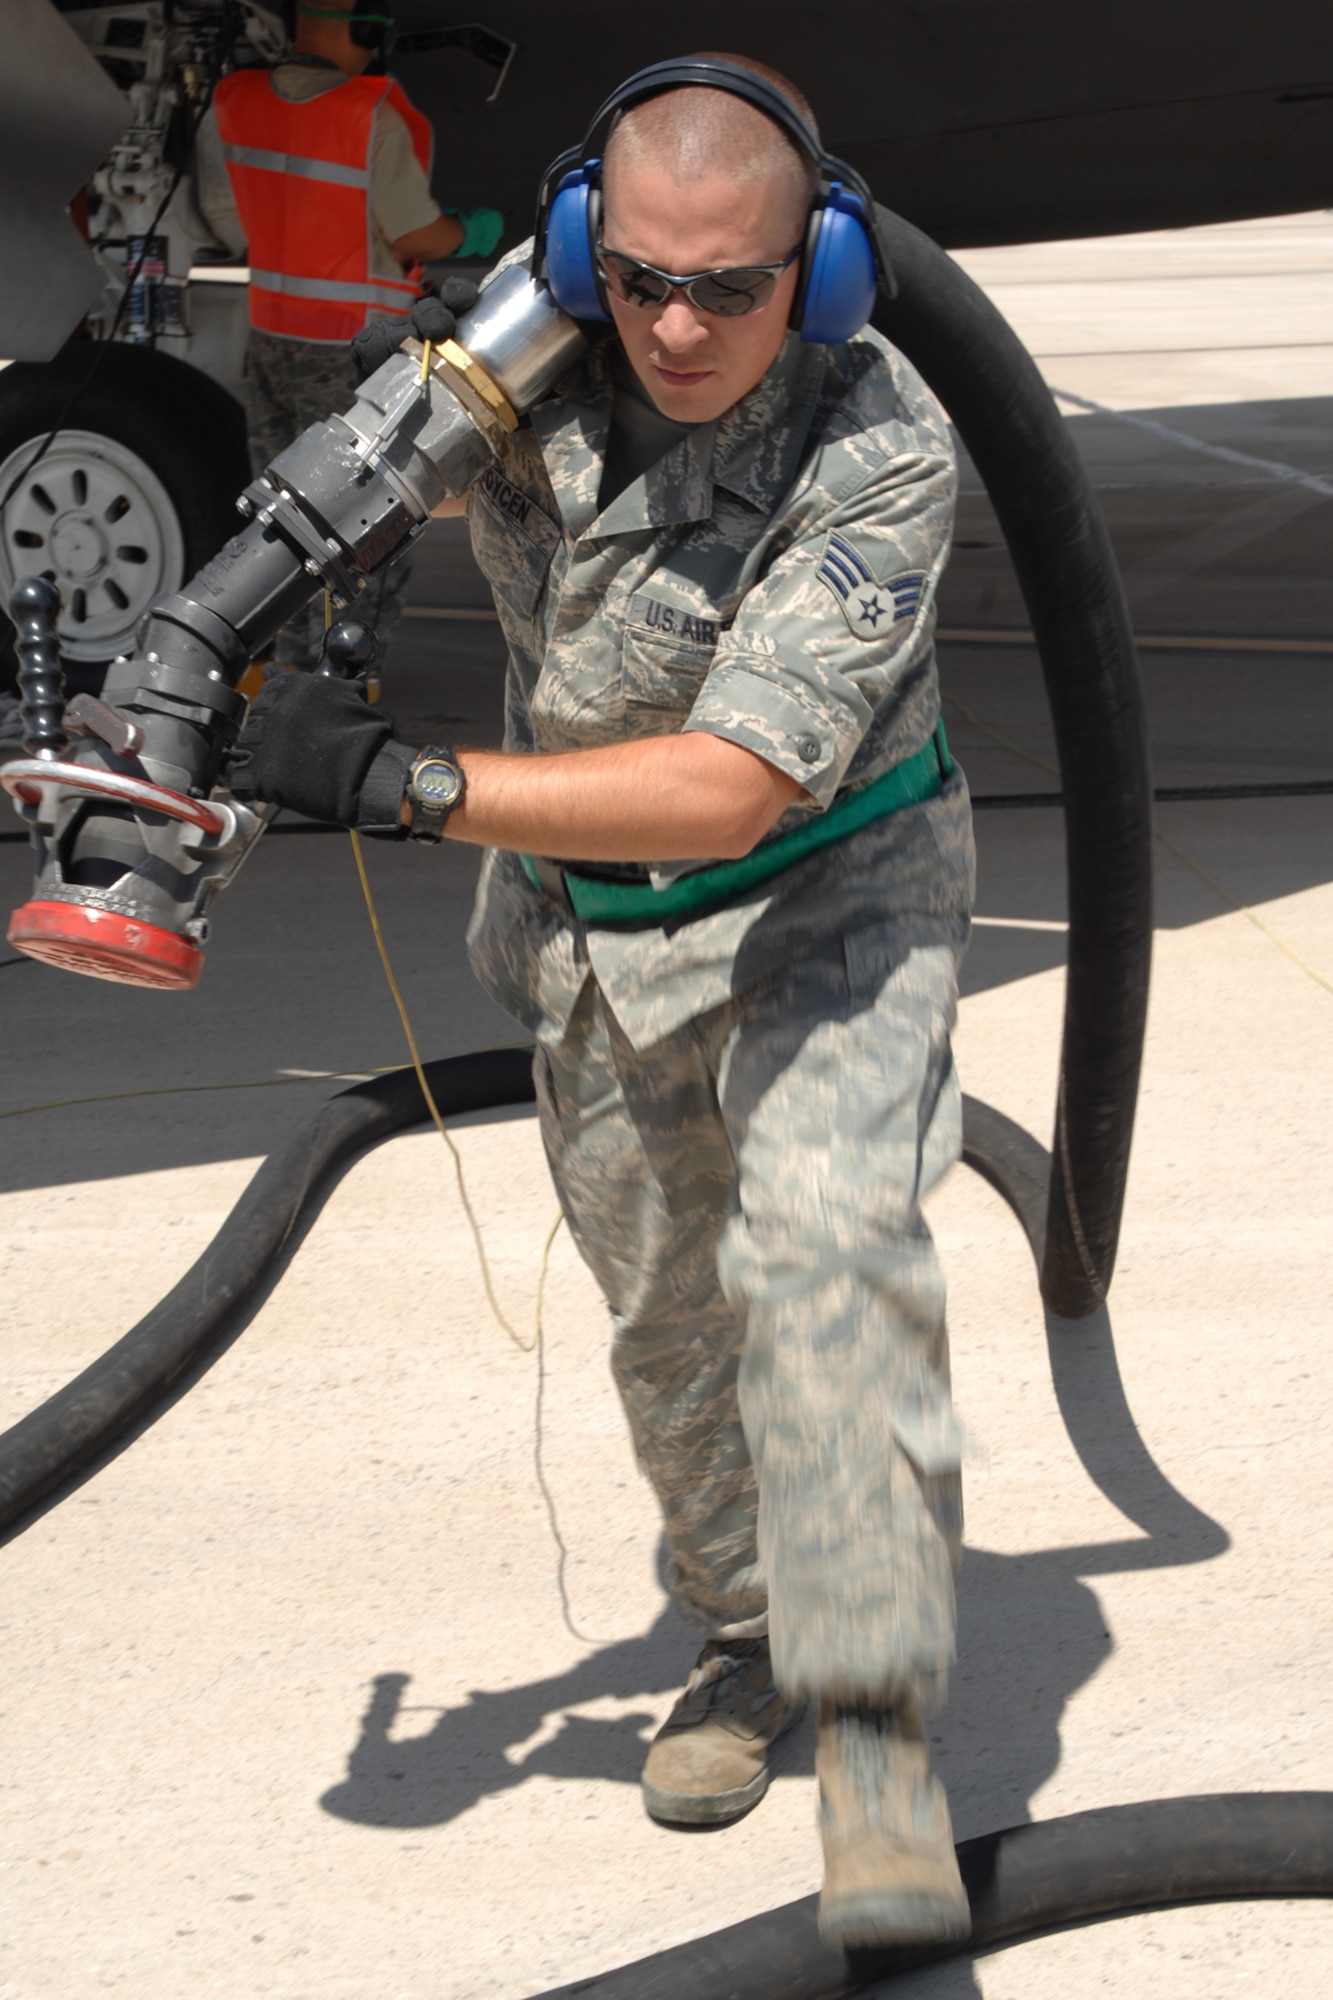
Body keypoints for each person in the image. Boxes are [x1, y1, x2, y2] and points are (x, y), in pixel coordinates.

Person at [230, 54, 975, 1952]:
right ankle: (745, 1634)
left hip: (827, 902)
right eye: (636, 275)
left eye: (729, 285)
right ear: (578, 245)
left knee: (822, 1263)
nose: (673, 322)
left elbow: (729, 787)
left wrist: (405, 782)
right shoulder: (527, 359)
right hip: (590, 933)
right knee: (665, 1324)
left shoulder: (875, 442)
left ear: (806, 272)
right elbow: (328, 478)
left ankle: (877, 1729)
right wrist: (198, 644)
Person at [198, 0, 502, 675]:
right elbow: (416, 235)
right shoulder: (366, 117)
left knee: (283, 516)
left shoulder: (237, 99)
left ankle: (284, 671)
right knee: (364, 525)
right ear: (363, 32)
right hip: (349, 352)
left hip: (273, 335)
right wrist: (472, 230)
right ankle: (340, 687)